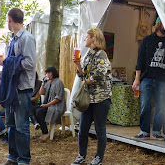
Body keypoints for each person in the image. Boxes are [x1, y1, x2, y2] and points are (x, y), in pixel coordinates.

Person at [0, 7, 36, 165]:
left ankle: (24, 160)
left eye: (7, 20)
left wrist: (7, 61)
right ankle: (12, 157)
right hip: (11, 90)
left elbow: (30, 64)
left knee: (22, 127)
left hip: (22, 89)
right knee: (11, 125)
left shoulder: (27, 38)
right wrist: (5, 63)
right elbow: (12, 63)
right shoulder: (13, 40)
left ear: (10, 19)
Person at [72, 28, 112, 165]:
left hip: (101, 98)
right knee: (83, 128)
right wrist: (78, 65)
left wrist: (87, 81)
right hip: (89, 98)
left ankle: (98, 158)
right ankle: (81, 155)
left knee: (100, 129)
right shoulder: (88, 54)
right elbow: (82, 76)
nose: (84, 39)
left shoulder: (102, 55)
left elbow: (100, 75)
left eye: (86, 37)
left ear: (93, 39)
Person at [132, 17, 165, 140]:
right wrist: (137, 79)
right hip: (147, 78)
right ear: (158, 24)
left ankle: (156, 131)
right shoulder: (147, 40)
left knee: (161, 106)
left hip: (163, 80)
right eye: (164, 23)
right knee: (145, 104)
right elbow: (140, 60)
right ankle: (144, 131)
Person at [36, 66, 66, 140]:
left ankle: (45, 132)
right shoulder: (49, 83)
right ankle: (41, 128)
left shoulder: (58, 82)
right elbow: (41, 92)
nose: (47, 74)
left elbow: (58, 98)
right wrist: (43, 83)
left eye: (49, 72)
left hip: (56, 106)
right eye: (46, 73)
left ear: (53, 73)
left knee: (39, 112)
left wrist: (47, 105)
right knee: (35, 109)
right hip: (49, 105)